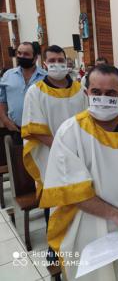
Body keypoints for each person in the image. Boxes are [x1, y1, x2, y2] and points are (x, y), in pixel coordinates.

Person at [40, 64, 118, 281]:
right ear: (86, 93)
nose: (102, 98)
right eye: (96, 93)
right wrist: (117, 215)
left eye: (111, 94)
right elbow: (70, 190)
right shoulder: (70, 132)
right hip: (90, 226)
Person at [22, 44, 87, 199]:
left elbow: (89, 122)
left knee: (81, 196)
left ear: (66, 62)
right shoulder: (35, 92)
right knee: (54, 199)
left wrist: (77, 149)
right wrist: (64, 147)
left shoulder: (80, 90)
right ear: (44, 64)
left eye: (60, 60)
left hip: (80, 154)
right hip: (50, 154)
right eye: (52, 60)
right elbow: (35, 130)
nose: (57, 64)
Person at [0, 42, 47, 141]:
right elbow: (2, 100)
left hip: (41, 132)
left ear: (35, 58)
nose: (21, 56)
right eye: (19, 53)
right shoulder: (8, 76)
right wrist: (5, 120)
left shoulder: (46, 77)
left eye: (26, 54)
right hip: (16, 130)